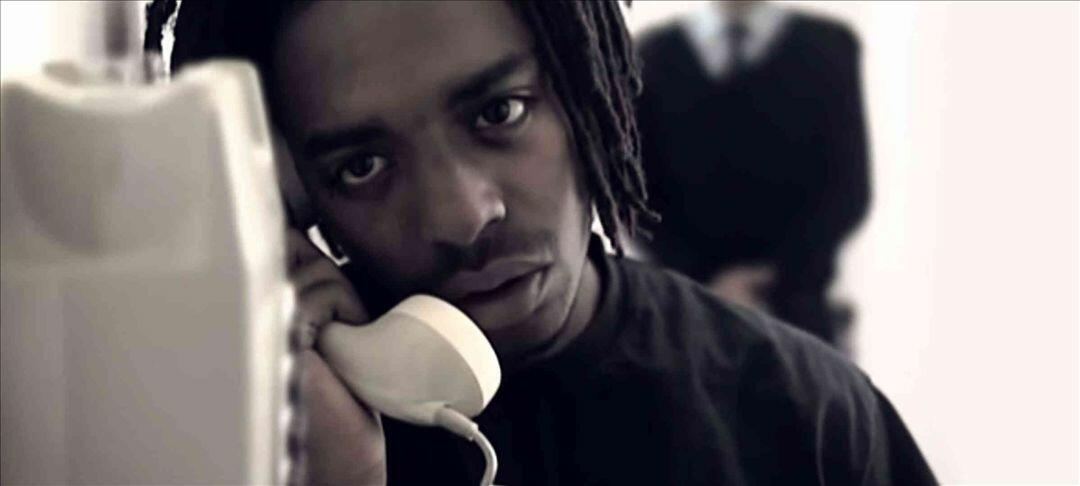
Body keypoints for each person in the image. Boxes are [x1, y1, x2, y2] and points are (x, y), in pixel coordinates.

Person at [149, 1, 934, 484]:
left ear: (587, 90)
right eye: (362, 165)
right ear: (290, 195)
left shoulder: (811, 417)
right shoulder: (244, 443)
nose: (462, 216)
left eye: (500, 113)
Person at [635, 1, 871, 346]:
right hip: (687, 318)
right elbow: (639, 198)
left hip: (800, 317)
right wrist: (708, 283)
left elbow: (849, 191)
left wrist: (773, 279)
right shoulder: (652, 55)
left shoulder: (829, 48)